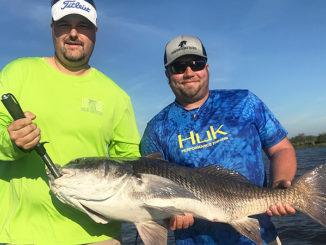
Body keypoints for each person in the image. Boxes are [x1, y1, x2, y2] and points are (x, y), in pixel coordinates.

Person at [0, 0, 140, 244]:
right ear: (52, 29)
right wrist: (13, 142)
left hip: (99, 236)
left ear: (95, 32)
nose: (73, 33)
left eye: (83, 26)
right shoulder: (17, 73)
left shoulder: (117, 96)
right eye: (64, 25)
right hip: (23, 233)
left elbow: (132, 162)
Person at [140, 35, 297, 244]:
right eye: (179, 66)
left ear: (207, 67)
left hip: (259, 236)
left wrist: (281, 185)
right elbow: (150, 191)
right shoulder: (156, 128)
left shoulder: (244, 102)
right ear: (167, 74)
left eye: (197, 64)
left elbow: (281, 149)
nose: (189, 72)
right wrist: (168, 216)